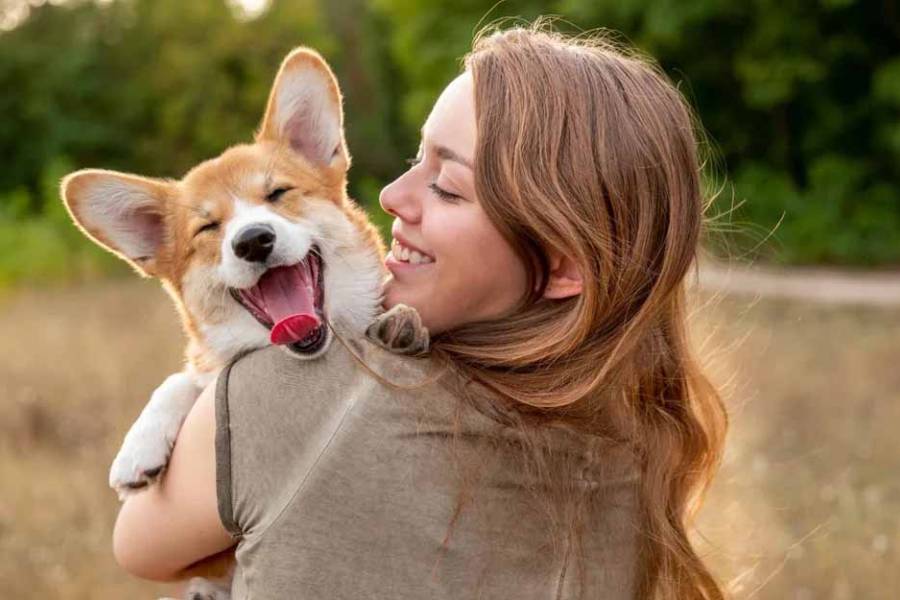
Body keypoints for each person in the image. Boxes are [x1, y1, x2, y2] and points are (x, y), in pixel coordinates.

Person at [112, 22, 728, 600]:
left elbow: (138, 547)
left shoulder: (290, 396)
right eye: (416, 159)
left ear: (564, 264)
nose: (387, 197)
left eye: (448, 186)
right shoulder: (640, 452)